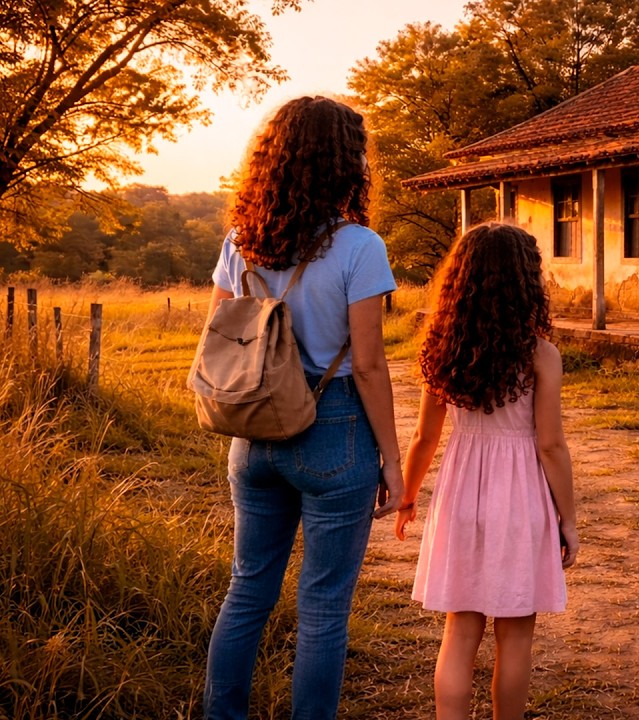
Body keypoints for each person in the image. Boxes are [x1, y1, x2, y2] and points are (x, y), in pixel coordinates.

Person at [202, 95, 405, 720]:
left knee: (246, 590)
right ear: (345, 162)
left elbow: (219, 330)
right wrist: (393, 462)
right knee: (323, 608)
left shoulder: (241, 240)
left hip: (253, 431)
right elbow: (368, 366)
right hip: (332, 426)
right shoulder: (360, 246)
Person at [395, 222, 579, 720]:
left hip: (461, 495)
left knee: (460, 631)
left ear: (461, 279)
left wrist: (407, 496)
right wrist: (568, 520)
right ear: (527, 280)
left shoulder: (443, 347)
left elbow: (424, 437)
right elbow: (551, 444)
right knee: (515, 635)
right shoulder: (541, 355)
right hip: (521, 500)